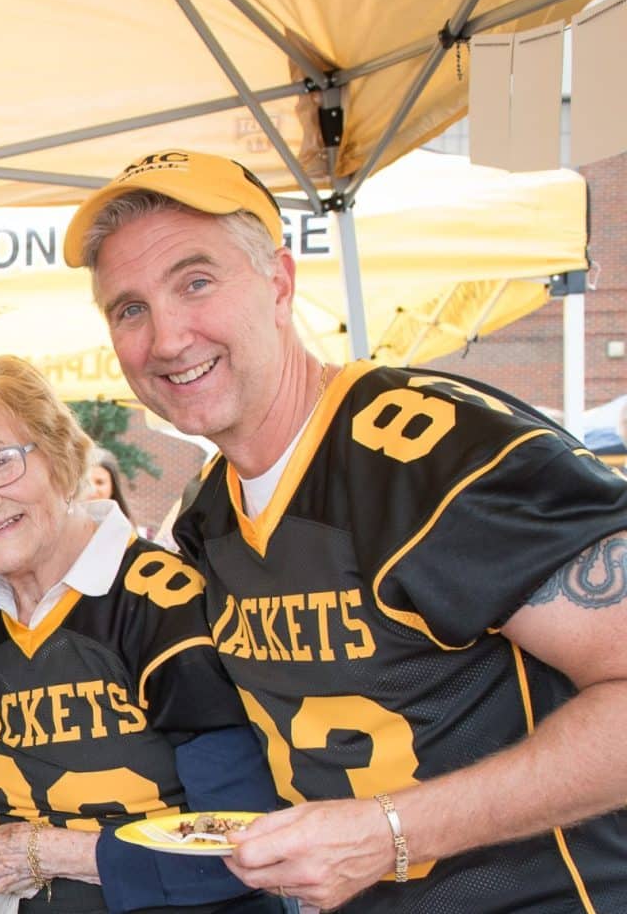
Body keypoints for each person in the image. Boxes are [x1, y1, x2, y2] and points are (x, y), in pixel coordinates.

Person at [67, 148, 627, 911]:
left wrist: (394, 832)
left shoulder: (442, 454)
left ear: (279, 282)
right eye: (128, 308)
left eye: (196, 282)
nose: (166, 339)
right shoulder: (208, 512)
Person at [0, 356, 280, 914]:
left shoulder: (163, 604)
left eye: (0, 463)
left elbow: (244, 840)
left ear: (58, 454)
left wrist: (56, 852)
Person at [84, 445, 135, 527]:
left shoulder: (123, 530)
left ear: (113, 488)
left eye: (99, 482)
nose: (91, 488)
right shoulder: (62, 521)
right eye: (86, 482)